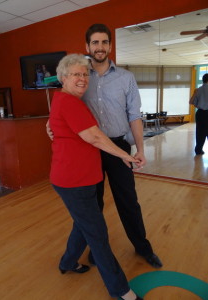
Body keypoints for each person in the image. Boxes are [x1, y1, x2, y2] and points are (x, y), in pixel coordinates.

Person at [47, 24, 162, 269]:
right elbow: (64, 101)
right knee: (94, 204)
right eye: (95, 43)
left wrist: (139, 149)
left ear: (110, 45)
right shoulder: (79, 75)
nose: (100, 47)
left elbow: (134, 115)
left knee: (128, 201)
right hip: (88, 150)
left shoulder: (125, 78)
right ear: (87, 46)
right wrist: (50, 123)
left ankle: (143, 248)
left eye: (104, 42)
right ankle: (96, 251)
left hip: (118, 145)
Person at [49, 53, 143, 300]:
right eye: (75, 75)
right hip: (73, 181)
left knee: (83, 224)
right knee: (98, 235)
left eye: (84, 74)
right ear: (63, 78)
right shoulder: (68, 102)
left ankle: (68, 262)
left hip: (82, 178)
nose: (82, 79)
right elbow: (95, 137)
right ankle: (120, 290)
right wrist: (126, 156)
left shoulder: (67, 101)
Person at [189, 73, 208, 155]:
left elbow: (191, 102)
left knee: (200, 132)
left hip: (200, 113)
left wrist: (194, 93)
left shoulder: (198, 90)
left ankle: (198, 150)